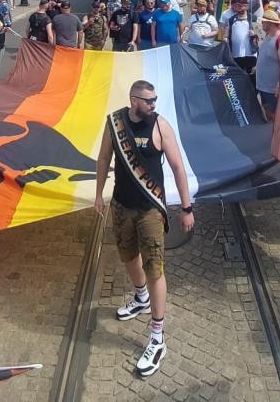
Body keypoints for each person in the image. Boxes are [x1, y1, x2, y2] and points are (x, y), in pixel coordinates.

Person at [94, 80, 196, 378]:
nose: (153, 105)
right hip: (122, 205)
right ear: (133, 100)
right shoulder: (115, 122)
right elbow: (103, 158)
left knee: (155, 270)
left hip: (151, 210)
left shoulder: (161, 126)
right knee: (127, 256)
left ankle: (157, 336)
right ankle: (141, 298)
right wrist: (99, 194)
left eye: (155, 100)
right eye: (148, 100)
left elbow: (178, 167)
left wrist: (186, 208)